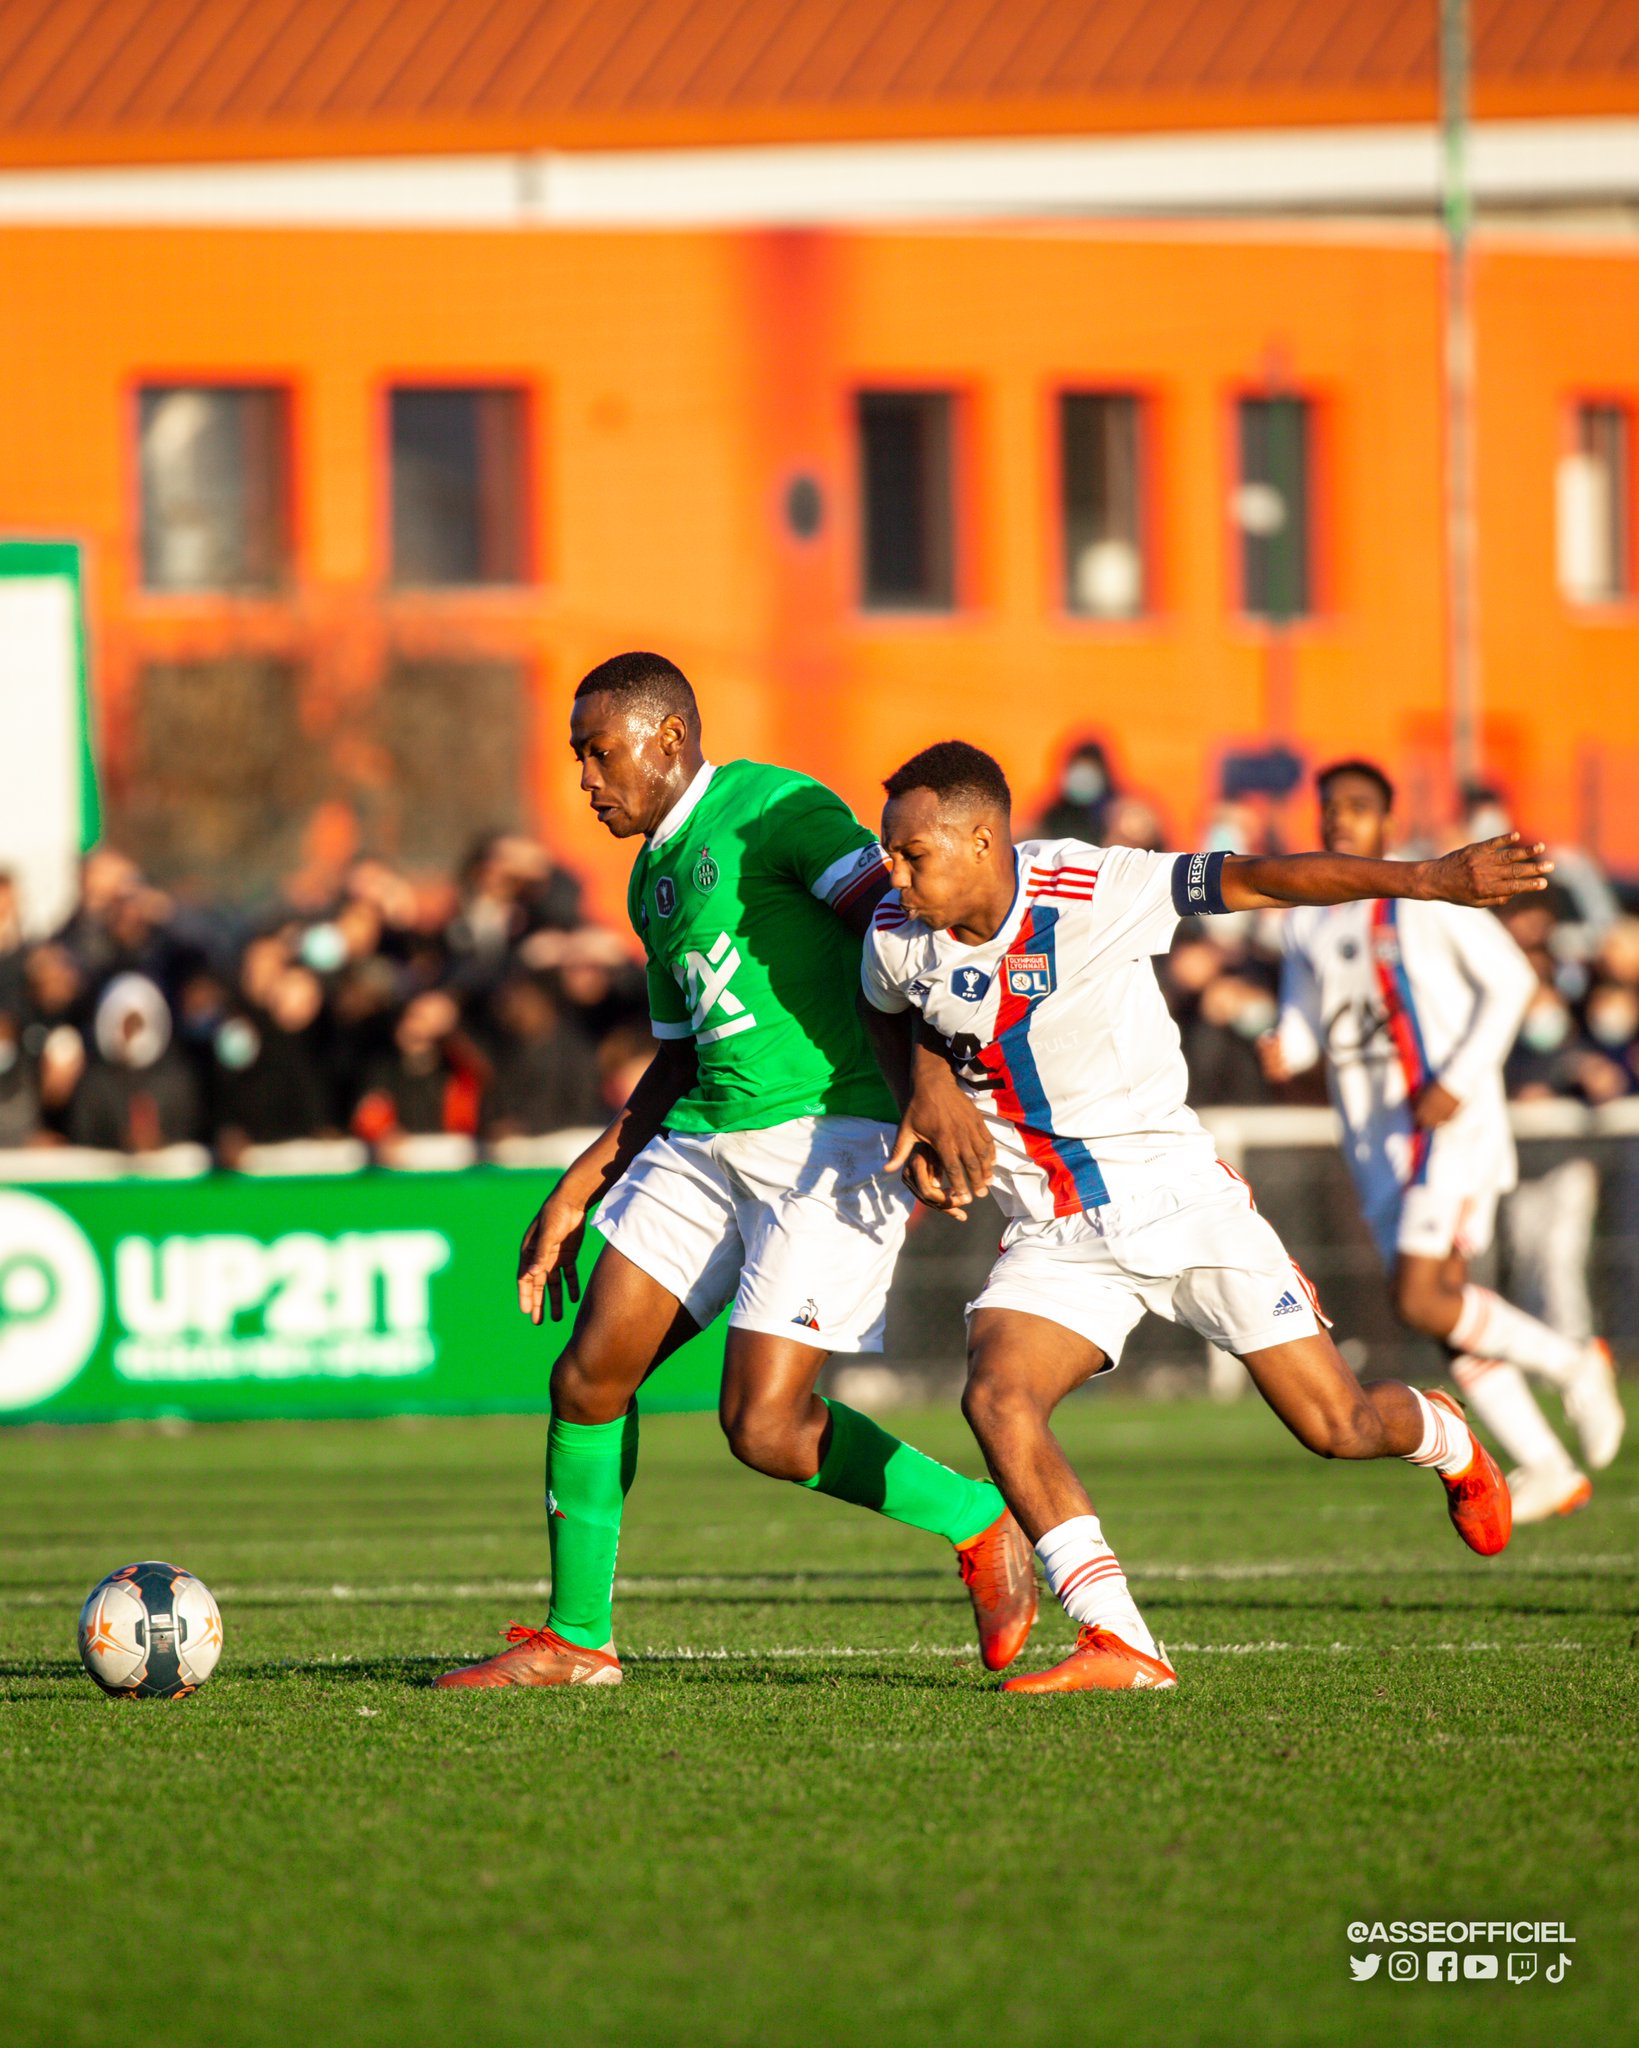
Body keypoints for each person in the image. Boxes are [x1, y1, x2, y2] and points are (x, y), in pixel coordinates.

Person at [861, 740, 1552, 1696]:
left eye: (910, 855)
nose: (890, 875)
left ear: (983, 841)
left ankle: (1439, 1430)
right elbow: (889, 1008)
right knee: (996, 1396)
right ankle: (1119, 1639)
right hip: (1055, 1231)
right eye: (888, 852)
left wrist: (1428, 878)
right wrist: (925, 1094)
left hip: (1180, 1200)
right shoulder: (895, 931)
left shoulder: (1091, 884)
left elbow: (1265, 879)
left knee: (1338, 1427)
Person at [435, 654, 1033, 1690]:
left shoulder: (776, 806)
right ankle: (578, 1640)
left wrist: (930, 1092)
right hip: (705, 1135)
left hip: (831, 1135)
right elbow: (680, 1052)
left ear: (666, 738)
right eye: (579, 755)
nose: (585, 777)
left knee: (762, 1427)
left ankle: (981, 1521)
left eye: (597, 749)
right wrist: (579, 1185)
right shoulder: (648, 881)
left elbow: (896, 937)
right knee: (585, 1378)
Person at [1259, 761, 1624, 1522]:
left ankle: (1572, 1363)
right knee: (1439, 1308)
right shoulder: (1304, 917)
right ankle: (1547, 1464)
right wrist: (1283, 1047)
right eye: (1329, 808)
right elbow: (1305, 1018)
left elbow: (1510, 983)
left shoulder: (1423, 899)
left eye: (1357, 808)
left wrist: (1456, 1076)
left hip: (1446, 1128)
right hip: (1373, 1139)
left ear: (1387, 824)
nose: (1338, 820)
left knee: (1421, 1295)